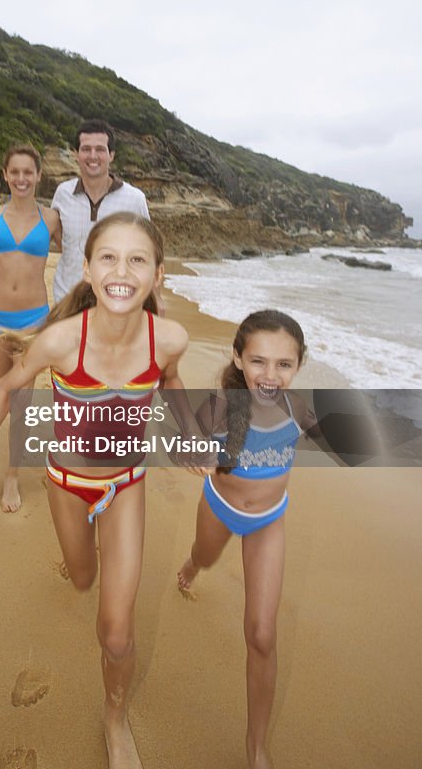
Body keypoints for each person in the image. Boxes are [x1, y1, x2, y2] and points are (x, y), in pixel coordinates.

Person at [0, 213, 189, 769]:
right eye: (108, 257)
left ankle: (114, 716)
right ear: (86, 268)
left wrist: (195, 435)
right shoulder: (60, 341)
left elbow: (173, 382)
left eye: (138, 260)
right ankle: (83, 556)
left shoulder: (169, 340)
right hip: (66, 484)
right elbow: (6, 392)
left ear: (158, 274)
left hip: (127, 488)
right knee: (83, 578)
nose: (122, 271)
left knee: (115, 633)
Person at [176, 310, 321, 769]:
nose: (270, 375)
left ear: (298, 366)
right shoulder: (220, 406)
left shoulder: (298, 409)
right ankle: (192, 566)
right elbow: (185, 442)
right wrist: (190, 452)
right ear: (238, 358)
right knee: (205, 555)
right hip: (220, 510)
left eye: (284, 364)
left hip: (268, 524)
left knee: (261, 634)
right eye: (258, 361)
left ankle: (255, 748)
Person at [0, 143, 61, 512]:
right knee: (3, 393)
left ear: (38, 176)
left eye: (28, 172)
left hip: (35, 319)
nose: (22, 178)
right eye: (15, 172)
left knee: (21, 400)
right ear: (5, 175)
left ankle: (12, 476)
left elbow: (81, 252)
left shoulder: (51, 218)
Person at [52, 119, 149, 304]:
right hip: (66, 302)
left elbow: (149, 252)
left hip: (115, 304)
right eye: (86, 149)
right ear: (76, 153)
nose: (93, 156)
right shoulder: (63, 193)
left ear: (111, 155)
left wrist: (155, 297)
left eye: (100, 149)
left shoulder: (135, 199)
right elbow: (58, 238)